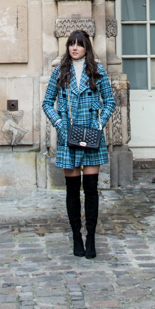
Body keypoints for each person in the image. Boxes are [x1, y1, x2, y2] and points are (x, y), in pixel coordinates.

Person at [42, 29, 115, 258]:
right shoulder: (59, 72)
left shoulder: (97, 71)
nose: (75, 48)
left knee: (91, 190)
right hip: (68, 137)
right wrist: (61, 124)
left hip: (92, 136)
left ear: (87, 48)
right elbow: (47, 103)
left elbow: (110, 102)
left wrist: (100, 124)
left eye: (79, 44)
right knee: (73, 191)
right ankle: (76, 237)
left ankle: (91, 237)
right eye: (71, 44)